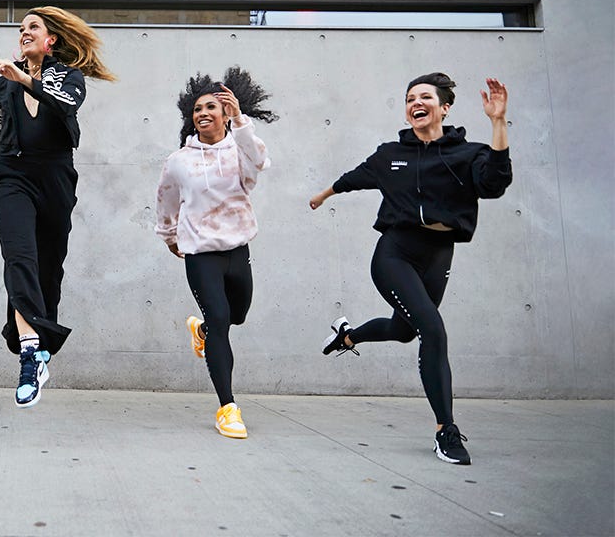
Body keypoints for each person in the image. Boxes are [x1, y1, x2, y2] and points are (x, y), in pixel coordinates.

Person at [311, 73, 511, 465]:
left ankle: (347, 336)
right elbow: (354, 179)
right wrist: (323, 195)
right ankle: (445, 430)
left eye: (424, 97)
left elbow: (494, 184)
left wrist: (498, 122)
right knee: (432, 329)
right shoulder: (391, 154)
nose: (415, 103)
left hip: (439, 255)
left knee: (404, 331)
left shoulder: (469, 154)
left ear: (444, 108)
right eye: (409, 99)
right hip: (395, 253)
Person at [0, 6, 115, 408]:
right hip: (12, 176)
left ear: (50, 39)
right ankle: (28, 355)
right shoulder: (2, 86)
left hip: (55, 176)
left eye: (32, 27)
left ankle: (41, 348)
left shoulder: (68, 77)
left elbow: (63, 105)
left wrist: (24, 78)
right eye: (20, 28)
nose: (23, 33)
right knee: (19, 257)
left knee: (47, 270)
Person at [155, 67, 276, 438]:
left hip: (238, 249)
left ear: (225, 114)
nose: (203, 113)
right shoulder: (179, 160)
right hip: (200, 253)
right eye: (197, 109)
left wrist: (240, 119)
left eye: (211, 107)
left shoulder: (240, 150)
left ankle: (202, 330)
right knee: (221, 319)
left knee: (236, 315)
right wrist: (170, 236)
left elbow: (259, 161)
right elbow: (165, 200)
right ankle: (228, 408)